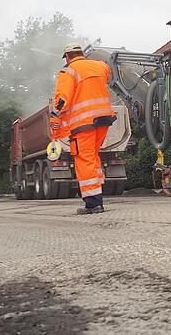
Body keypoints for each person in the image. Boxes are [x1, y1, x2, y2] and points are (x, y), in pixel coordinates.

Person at [50, 43, 116, 214]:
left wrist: (55, 117)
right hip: (103, 119)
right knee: (93, 158)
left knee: (84, 159)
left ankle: (93, 204)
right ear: (81, 54)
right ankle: (97, 198)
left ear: (67, 56)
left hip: (83, 124)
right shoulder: (100, 66)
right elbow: (106, 76)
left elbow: (62, 100)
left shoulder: (68, 71)